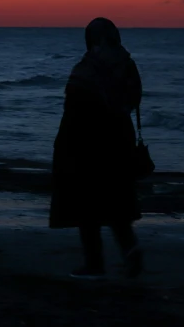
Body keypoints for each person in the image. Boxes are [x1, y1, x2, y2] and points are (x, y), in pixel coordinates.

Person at [49, 17, 144, 280]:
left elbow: (75, 106)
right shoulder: (127, 63)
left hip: (87, 141)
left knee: (87, 205)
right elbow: (133, 100)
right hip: (120, 138)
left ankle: (94, 263)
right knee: (116, 200)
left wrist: (63, 144)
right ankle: (131, 249)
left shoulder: (89, 66)